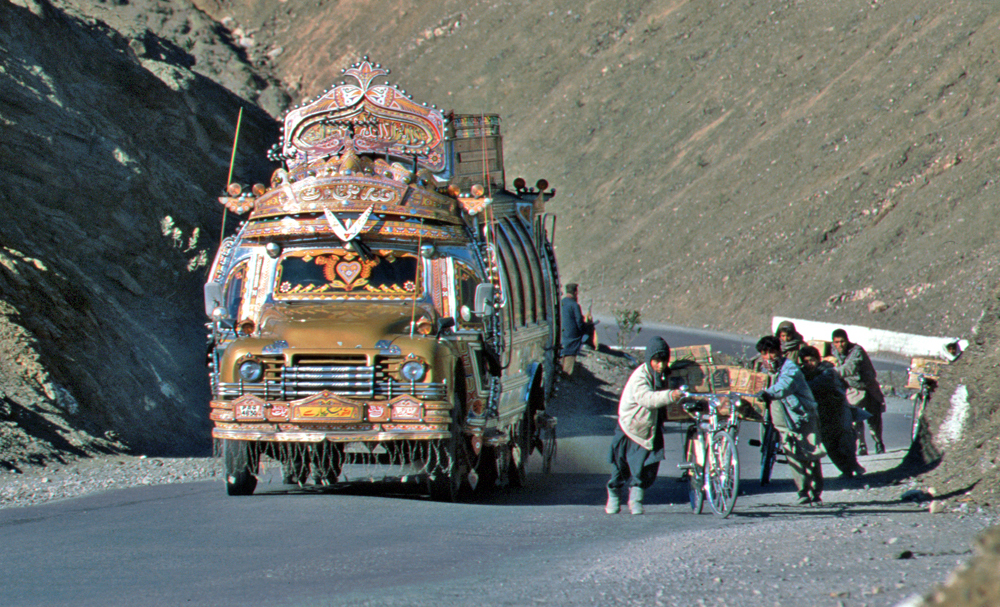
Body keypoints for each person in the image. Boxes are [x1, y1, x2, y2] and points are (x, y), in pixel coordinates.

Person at [606, 336, 684, 515]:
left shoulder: (662, 375)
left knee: (646, 468)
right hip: (630, 427)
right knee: (620, 467)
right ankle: (614, 496)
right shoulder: (640, 377)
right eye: (656, 360)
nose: (660, 365)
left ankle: (636, 500)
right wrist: (670, 395)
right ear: (649, 360)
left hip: (649, 428)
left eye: (664, 360)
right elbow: (646, 399)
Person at [755, 335, 825, 505]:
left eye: (772, 352)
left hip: (802, 415)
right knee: (792, 454)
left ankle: (816, 491)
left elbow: (784, 386)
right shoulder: (764, 370)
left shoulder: (790, 368)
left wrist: (768, 393)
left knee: (810, 453)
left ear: (779, 351)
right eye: (765, 353)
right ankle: (803, 491)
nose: (769, 357)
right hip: (782, 421)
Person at [799, 345, 866, 478]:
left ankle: (853, 465)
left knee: (844, 440)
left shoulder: (827, 371)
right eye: (805, 362)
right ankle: (847, 469)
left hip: (837, 410)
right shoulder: (802, 373)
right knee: (829, 444)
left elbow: (816, 385)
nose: (809, 364)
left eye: (811, 360)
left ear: (818, 359)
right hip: (820, 413)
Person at [831, 328, 886, 455]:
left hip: (868, 387)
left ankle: (878, 441)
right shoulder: (833, 351)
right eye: (837, 342)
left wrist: (831, 372)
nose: (840, 345)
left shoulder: (857, 351)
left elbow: (849, 368)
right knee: (855, 418)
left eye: (842, 342)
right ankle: (861, 445)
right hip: (853, 389)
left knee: (874, 419)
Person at [560, 283, 595, 376]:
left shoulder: (561, 303)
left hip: (561, 336)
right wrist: (585, 329)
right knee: (569, 360)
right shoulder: (574, 305)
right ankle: (566, 376)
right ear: (575, 293)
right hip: (572, 338)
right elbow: (579, 322)